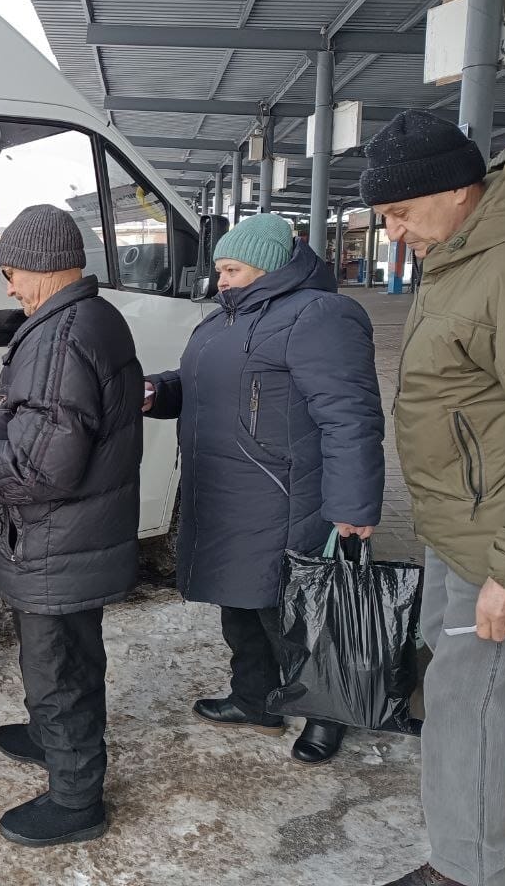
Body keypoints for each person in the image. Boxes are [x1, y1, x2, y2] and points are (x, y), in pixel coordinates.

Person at [360, 110, 505, 886]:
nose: (393, 234)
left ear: (456, 190)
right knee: (466, 657)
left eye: (400, 213)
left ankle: (469, 871)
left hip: (502, 533)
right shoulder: (461, 252)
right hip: (460, 519)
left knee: (464, 693)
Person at [144, 213, 384, 767]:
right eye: (219, 270)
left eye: (232, 269)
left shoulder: (320, 315)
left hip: (283, 493)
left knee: (293, 614)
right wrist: (158, 392)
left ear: (269, 266)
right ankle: (254, 698)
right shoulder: (223, 320)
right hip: (224, 491)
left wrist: (353, 504)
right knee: (240, 604)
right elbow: (205, 386)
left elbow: (350, 417)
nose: (220, 280)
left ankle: (327, 712)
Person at [0, 204, 144, 847]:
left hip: (58, 537)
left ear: (41, 267)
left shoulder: (59, 336)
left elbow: (40, 465)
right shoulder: (86, 318)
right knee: (58, 653)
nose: (9, 289)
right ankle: (50, 737)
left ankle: (76, 798)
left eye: (11, 274)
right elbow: (37, 413)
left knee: (60, 666)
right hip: (70, 535)